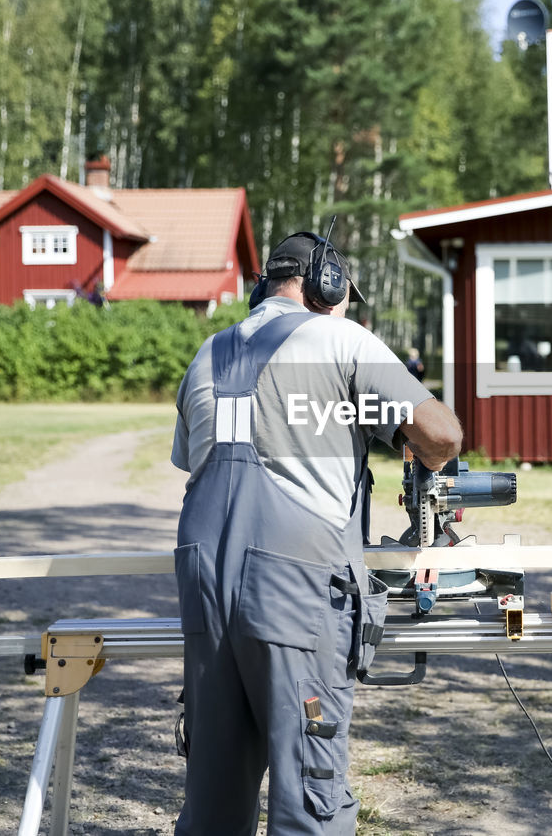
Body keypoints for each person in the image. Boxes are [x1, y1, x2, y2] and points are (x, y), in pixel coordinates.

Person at [170, 230, 462, 835]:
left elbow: (197, 461)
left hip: (202, 581)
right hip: (293, 587)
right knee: (310, 793)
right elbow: (441, 435)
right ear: (327, 285)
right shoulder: (340, 339)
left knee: (212, 799)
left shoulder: (208, 352)